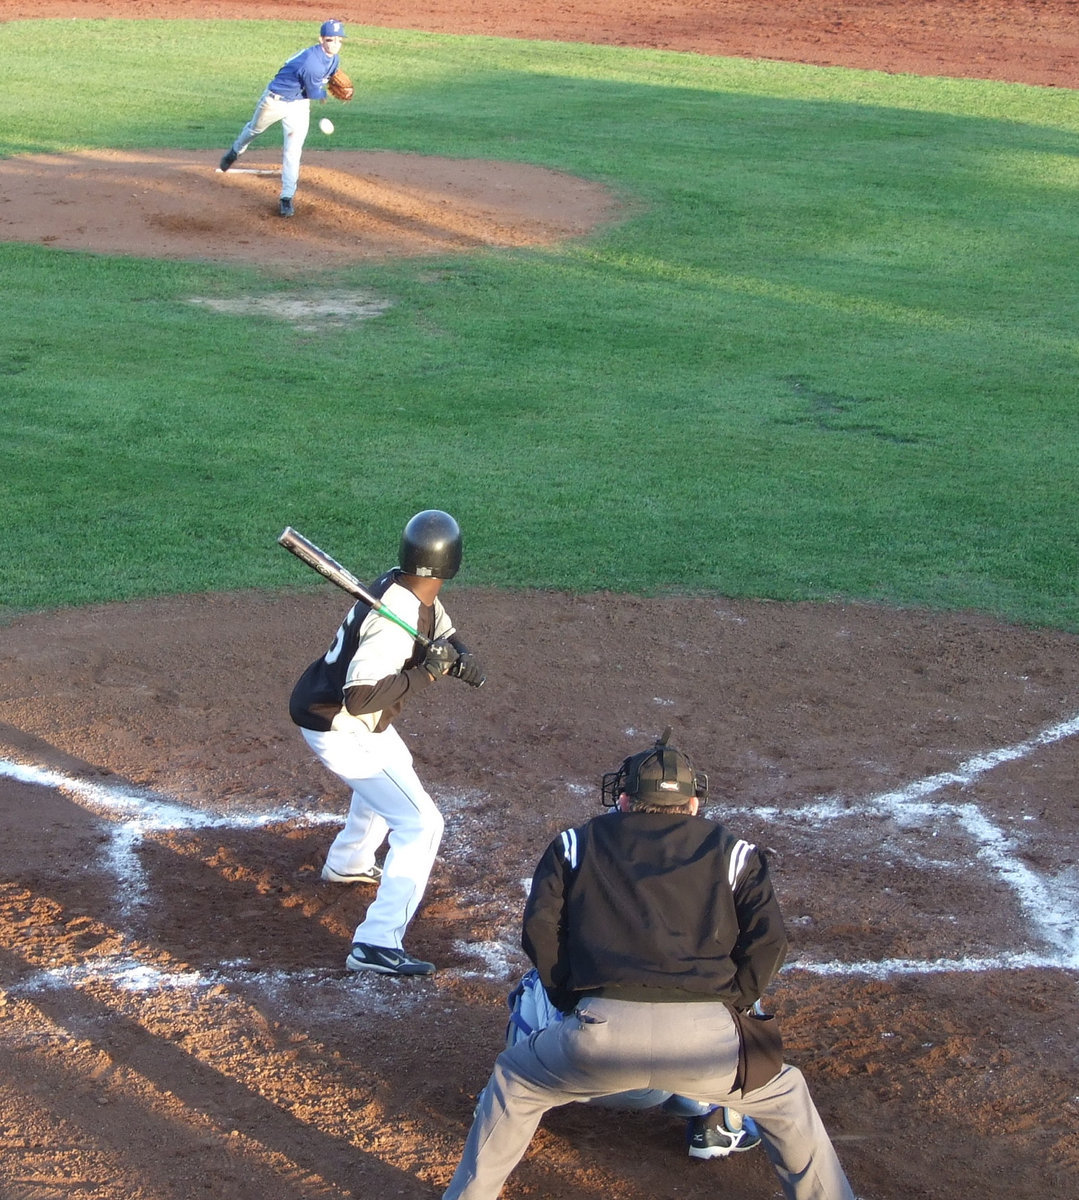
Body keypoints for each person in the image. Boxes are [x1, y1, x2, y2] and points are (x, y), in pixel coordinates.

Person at [442, 729, 855, 1199]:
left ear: (623, 800)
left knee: (515, 1078)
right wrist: (730, 1006)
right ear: (693, 805)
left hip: (596, 1045)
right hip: (708, 1051)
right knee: (786, 1092)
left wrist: (569, 1003)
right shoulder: (734, 852)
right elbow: (768, 944)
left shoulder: (575, 843)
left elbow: (539, 934)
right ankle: (723, 1121)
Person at [288, 510, 484, 977]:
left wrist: (463, 657)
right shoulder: (393, 621)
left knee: (397, 761)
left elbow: (442, 628)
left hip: (335, 714)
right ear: (451, 563)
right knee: (422, 824)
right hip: (338, 724)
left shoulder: (408, 588)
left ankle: (350, 860)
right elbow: (359, 698)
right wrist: (428, 673)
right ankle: (375, 943)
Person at [218, 18, 348, 217]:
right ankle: (235, 151)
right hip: (275, 101)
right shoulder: (310, 62)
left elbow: (327, 77)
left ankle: (286, 197)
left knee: (293, 150)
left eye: (339, 40)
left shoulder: (334, 59)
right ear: (321, 39)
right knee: (254, 130)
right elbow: (315, 94)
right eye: (331, 40)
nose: (336, 44)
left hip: (299, 105)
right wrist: (330, 94)